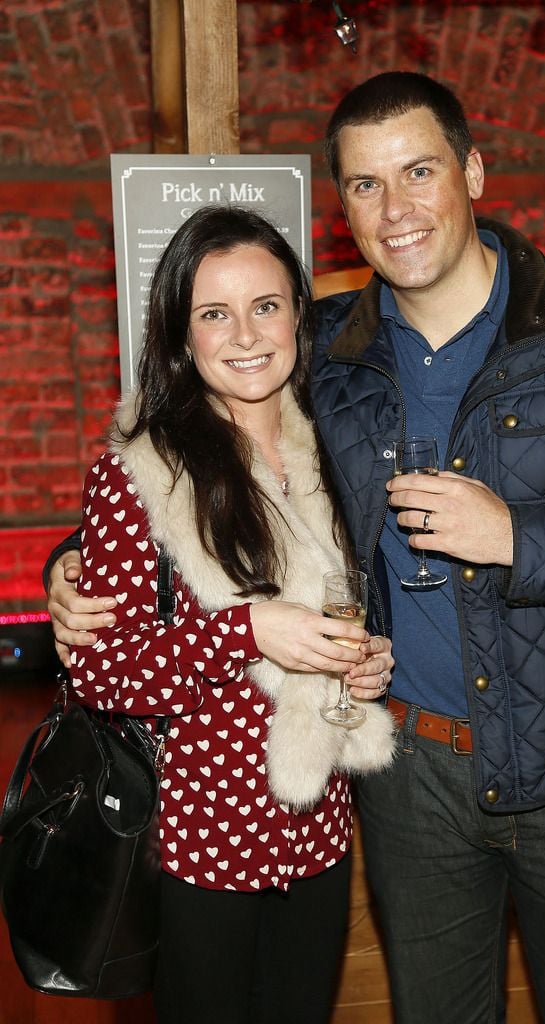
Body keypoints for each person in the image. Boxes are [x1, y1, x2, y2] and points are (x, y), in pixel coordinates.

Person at [46, 73, 545, 1023]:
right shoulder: (328, 347)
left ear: (473, 170)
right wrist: (70, 562)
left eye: (418, 171)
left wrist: (514, 536)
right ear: (343, 209)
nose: (396, 207)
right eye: (365, 185)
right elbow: (190, 468)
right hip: (406, 779)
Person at [55, 205, 396, 1024]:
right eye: (214, 312)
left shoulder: (333, 445)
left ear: (297, 316)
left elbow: (354, 604)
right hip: (200, 842)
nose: (244, 334)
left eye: (265, 306)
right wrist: (245, 632)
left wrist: (368, 660)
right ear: (181, 335)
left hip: (316, 828)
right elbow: (102, 668)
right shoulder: (142, 472)